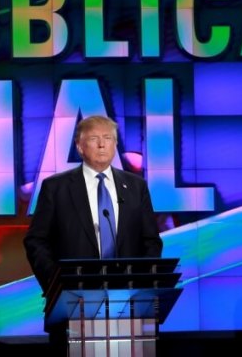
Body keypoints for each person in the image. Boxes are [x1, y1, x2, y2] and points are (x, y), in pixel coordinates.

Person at [24, 114, 163, 295]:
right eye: (93, 138)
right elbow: (36, 241)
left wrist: (142, 283)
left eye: (108, 138)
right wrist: (56, 283)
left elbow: (151, 241)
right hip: (73, 298)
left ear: (115, 144)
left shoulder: (136, 186)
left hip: (129, 299)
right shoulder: (56, 188)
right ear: (80, 147)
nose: (102, 144)